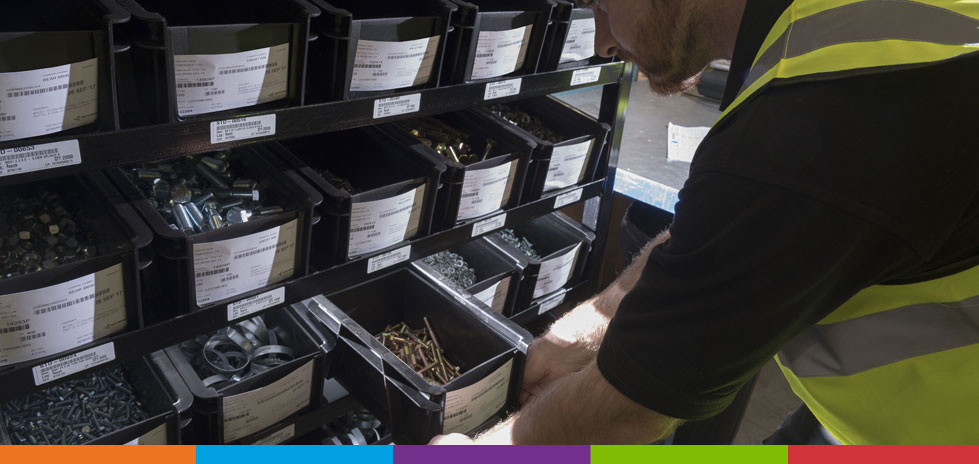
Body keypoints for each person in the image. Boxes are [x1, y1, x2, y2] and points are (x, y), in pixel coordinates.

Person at [432, 0, 979, 445]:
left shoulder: (824, 105)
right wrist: (585, 334)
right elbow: (737, 234)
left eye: (598, 5)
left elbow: (629, 411)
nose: (602, 39)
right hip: (862, 418)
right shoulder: (832, 33)